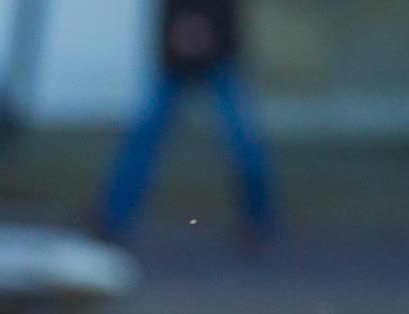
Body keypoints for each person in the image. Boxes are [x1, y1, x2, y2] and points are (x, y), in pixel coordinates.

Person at [94, 0, 276, 244]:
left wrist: (207, 32)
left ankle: (261, 221)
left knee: (244, 143)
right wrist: (180, 35)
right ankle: (113, 218)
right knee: (143, 138)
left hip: (219, 56)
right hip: (176, 59)